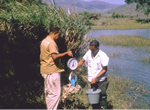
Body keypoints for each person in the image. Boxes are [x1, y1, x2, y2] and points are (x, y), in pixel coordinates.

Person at [40, 26, 73, 110]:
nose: (58, 36)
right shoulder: (51, 43)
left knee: (49, 94)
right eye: (58, 34)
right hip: (52, 71)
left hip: (45, 70)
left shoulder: (44, 41)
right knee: (55, 94)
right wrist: (66, 53)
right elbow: (54, 57)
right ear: (54, 33)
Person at [71, 40, 109, 110]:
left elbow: (105, 69)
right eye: (90, 49)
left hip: (101, 81)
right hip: (92, 81)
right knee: (94, 99)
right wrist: (73, 69)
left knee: (102, 98)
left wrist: (96, 78)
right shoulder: (89, 52)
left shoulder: (103, 56)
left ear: (98, 47)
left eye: (93, 49)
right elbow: (82, 61)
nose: (91, 51)